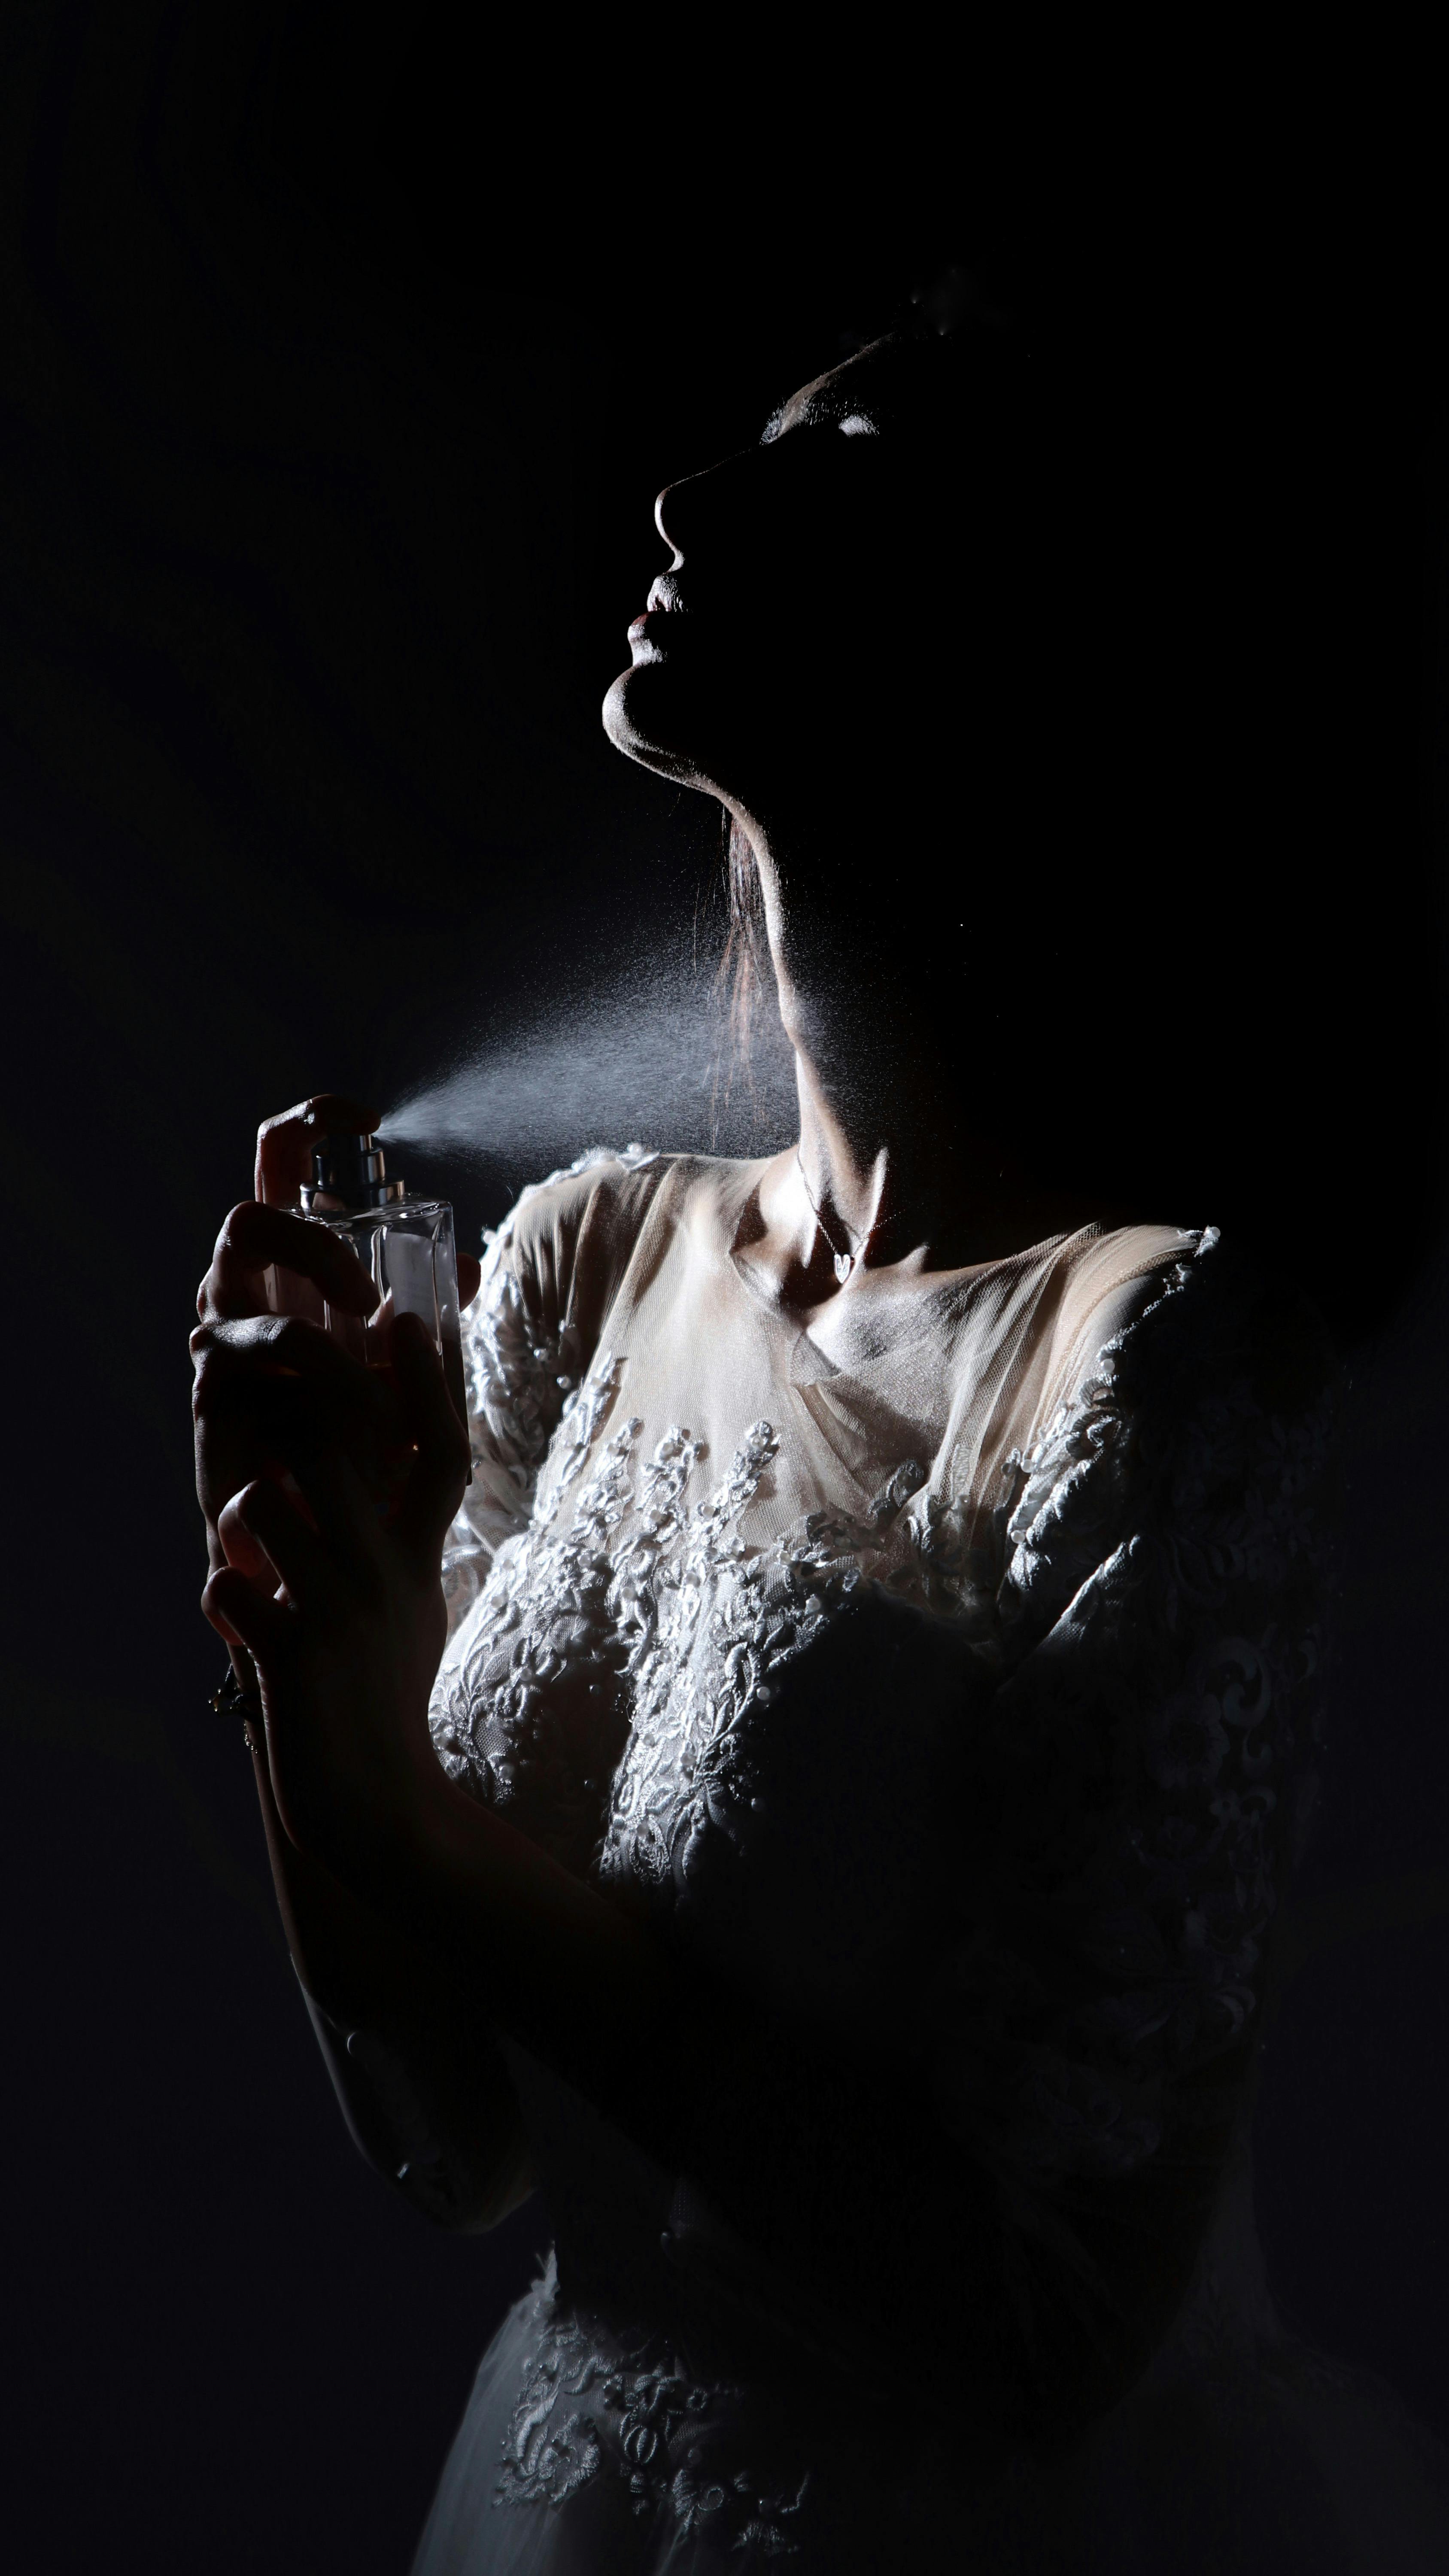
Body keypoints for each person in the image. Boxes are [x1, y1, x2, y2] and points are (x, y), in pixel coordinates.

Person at [191, 310, 1449, 2571]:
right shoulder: (583, 1268)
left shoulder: (1163, 1364)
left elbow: (1039, 2335)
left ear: (1026, 660)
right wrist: (308, 1648)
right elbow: (450, 2140)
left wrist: (430, 1836)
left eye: (826, 481)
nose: (688, 512)